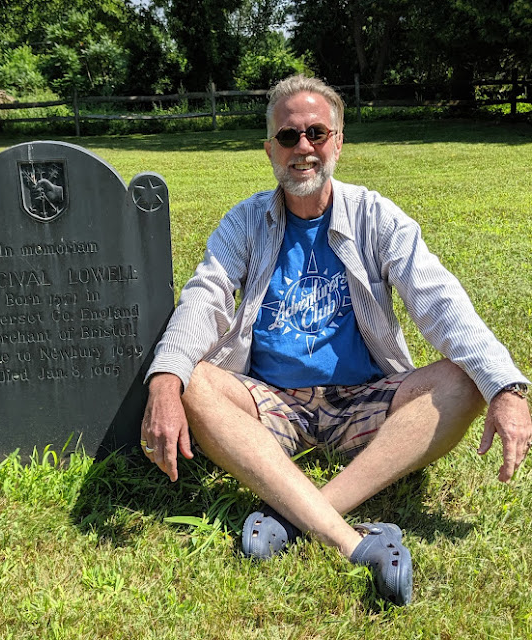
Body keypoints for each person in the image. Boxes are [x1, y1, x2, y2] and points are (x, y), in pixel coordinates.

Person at [140, 74, 532, 605]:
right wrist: (165, 379)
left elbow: (440, 300)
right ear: (269, 149)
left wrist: (506, 386)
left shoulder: (375, 216)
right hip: (270, 404)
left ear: (338, 141)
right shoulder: (246, 222)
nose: (303, 148)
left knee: (463, 382)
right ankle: (352, 541)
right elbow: (204, 296)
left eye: (316, 133)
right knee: (195, 381)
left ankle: (295, 514)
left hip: (362, 401)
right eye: (288, 137)